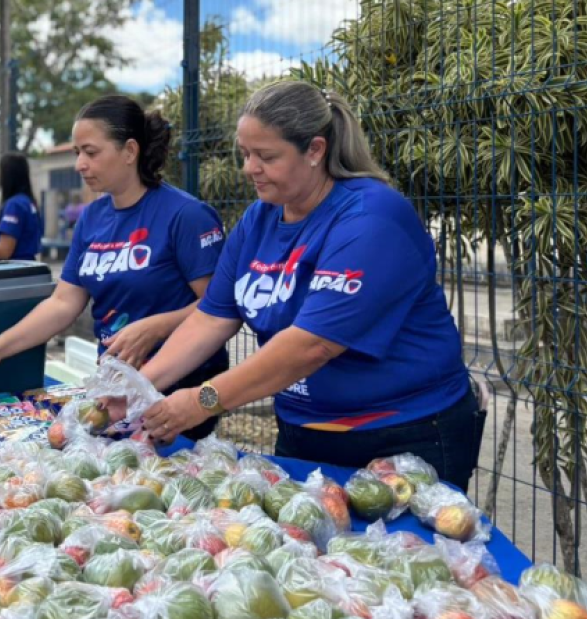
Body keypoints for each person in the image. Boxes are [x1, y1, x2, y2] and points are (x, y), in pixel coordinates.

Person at [117, 80, 484, 490]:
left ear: (315, 150)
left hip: (402, 434)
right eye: (245, 153)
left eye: (266, 156)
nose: (249, 168)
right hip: (303, 430)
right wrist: (140, 386)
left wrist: (203, 400)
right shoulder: (259, 219)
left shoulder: (371, 217)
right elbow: (211, 318)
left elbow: (311, 346)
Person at [0, 95, 229, 439]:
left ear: (129, 151)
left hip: (177, 389)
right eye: (78, 152)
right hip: (114, 384)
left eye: (90, 152)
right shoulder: (92, 218)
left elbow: (219, 309)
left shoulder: (185, 215)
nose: (79, 164)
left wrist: (158, 326)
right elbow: (64, 303)